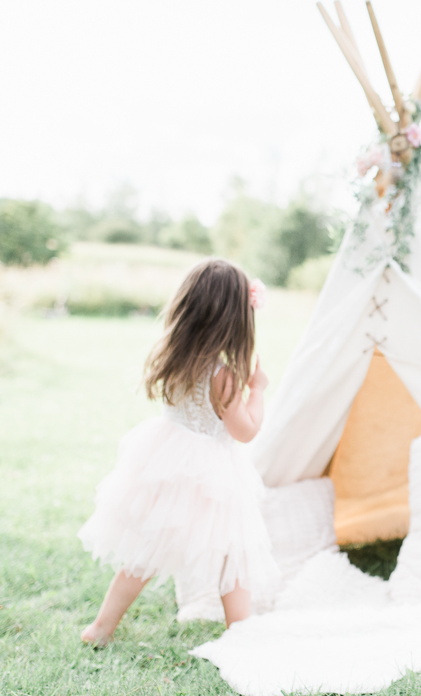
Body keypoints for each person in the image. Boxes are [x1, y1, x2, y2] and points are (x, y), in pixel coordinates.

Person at [78, 259, 279, 646]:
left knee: (144, 551)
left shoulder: (174, 357)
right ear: (234, 318)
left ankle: (100, 628)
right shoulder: (223, 376)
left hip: (168, 462)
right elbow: (246, 431)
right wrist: (257, 390)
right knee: (234, 551)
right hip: (213, 476)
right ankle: (240, 635)